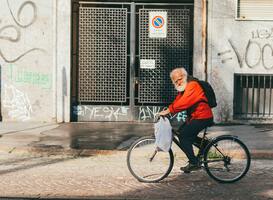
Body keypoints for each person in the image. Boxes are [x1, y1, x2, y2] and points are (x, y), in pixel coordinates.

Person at [159, 67, 213, 173]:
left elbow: (185, 102)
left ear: (184, 76)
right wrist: (168, 109)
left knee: (184, 136)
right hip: (196, 117)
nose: (178, 82)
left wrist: (169, 110)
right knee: (182, 132)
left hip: (203, 116)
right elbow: (178, 101)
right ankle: (205, 145)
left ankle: (193, 163)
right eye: (175, 81)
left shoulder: (193, 85)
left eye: (179, 79)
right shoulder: (184, 88)